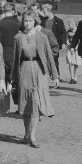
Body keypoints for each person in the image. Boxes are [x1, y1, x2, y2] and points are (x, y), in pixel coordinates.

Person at [12, 9, 58, 148]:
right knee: (26, 104)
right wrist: (13, 78)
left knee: (36, 104)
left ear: (35, 21)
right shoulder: (18, 37)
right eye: (25, 20)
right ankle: (26, 134)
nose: (28, 23)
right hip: (25, 69)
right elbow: (15, 59)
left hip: (39, 70)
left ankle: (32, 135)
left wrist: (54, 75)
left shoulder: (42, 36)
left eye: (30, 21)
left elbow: (50, 56)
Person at [0, 2, 20, 90]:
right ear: (13, 11)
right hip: (15, 53)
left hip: (4, 53)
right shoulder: (18, 23)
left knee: (3, 80)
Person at [39, 4, 66, 80]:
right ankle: (47, 76)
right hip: (44, 44)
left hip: (54, 44)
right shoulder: (43, 21)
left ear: (49, 11)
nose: (43, 12)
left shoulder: (59, 21)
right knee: (45, 60)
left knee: (54, 60)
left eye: (44, 11)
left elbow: (63, 32)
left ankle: (56, 77)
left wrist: (63, 43)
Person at [64, 19, 81, 84]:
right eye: (69, 25)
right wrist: (68, 44)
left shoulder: (78, 31)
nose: (70, 26)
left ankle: (75, 78)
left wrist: (75, 47)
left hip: (77, 49)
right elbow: (67, 39)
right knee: (71, 63)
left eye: (71, 25)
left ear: (74, 24)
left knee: (76, 63)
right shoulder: (68, 31)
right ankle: (72, 78)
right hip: (70, 48)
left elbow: (80, 40)